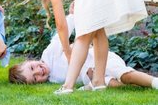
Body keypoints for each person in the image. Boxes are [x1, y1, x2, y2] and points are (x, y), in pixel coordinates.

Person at [21, 0, 148, 94]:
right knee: (97, 28)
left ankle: (67, 86)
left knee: (84, 33)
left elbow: (61, 25)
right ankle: (99, 81)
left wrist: (68, 52)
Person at [9, 13, 158, 90]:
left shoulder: (49, 55)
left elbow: (62, 35)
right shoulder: (53, 80)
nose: (38, 72)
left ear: (29, 61)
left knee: (125, 76)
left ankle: (154, 82)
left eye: (32, 67)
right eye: (35, 78)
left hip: (101, 59)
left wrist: (73, 16)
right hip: (95, 78)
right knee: (112, 84)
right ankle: (138, 88)